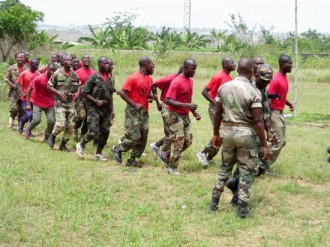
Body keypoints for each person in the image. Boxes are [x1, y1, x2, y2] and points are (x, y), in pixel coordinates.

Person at [208, 58, 269, 218]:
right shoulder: (253, 91)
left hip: (227, 132)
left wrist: (216, 133)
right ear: (251, 72)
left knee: (224, 168)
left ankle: (214, 203)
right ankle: (242, 208)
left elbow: (218, 113)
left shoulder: (224, 87)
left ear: (237, 70)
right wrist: (264, 144)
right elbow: (257, 121)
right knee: (246, 171)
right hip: (245, 134)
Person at [225, 64, 274, 205]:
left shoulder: (263, 90)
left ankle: (235, 182)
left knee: (262, 165)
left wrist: (268, 131)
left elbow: (265, 113)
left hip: (258, 133)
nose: (266, 83)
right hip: (247, 133)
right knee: (249, 166)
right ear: (256, 76)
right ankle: (238, 195)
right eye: (263, 80)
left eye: (268, 80)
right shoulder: (249, 89)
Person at [158, 58, 201, 175]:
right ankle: (172, 168)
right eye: (192, 69)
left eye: (195, 69)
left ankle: (165, 154)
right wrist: (187, 105)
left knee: (188, 141)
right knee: (179, 142)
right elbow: (168, 100)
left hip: (184, 114)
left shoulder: (190, 81)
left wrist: (193, 112)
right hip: (173, 114)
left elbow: (187, 99)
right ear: (185, 68)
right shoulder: (176, 82)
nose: (194, 71)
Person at [111, 57, 154, 168]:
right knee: (134, 137)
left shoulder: (149, 79)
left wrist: (150, 97)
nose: (153, 68)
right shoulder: (133, 78)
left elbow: (144, 92)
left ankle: (132, 159)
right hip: (132, 111)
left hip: (144, 111)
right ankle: (117, 149)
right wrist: (134, 104)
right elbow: (122, 93)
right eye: (151, 65)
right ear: (145, 65)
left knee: (143, 137)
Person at [197, 57, 236, 166]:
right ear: (225, 65)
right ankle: (203, 153)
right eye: (232, 62)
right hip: (215, 109)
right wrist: (215, 103)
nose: (234, 63)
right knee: (222, 133)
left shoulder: (230, 77)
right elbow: (204, 92)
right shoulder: (218, 76)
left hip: (225, 109)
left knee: (225, 134)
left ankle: (209, 157)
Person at [76, 57, 116, 161]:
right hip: (93, 107)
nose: (107, 65)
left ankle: (98, 153)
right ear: (99, 65)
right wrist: (96, 101)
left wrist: (112, 109)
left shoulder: (109, 78)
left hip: (106, 108)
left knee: (105, 131)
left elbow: (110, 94)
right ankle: (81, 144)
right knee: (93, 130)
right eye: (104, 63)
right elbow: (84, 92)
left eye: (108, 63)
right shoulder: (93, 77)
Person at [47, 54, 80, 151]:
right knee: (61, 124)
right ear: (62, 62)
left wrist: (77, 94)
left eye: (70, 60)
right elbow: (49, 86)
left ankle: (63, 144)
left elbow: (78, 86)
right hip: (59, 103)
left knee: (71, 126)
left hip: (71, 103)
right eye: (67, 60)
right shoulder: (57, 73)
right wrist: (58, 92)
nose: (69, 62)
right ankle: (53, 135)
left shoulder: (75, 74)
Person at [149, 66, 183, 156]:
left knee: (174, 131)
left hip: (176, 107)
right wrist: (157, 100)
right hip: (167, 107)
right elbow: (154, 84)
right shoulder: (171, 78)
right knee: (170, 132)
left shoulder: (183, 80)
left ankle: (157, 146)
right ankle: (163, 153)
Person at [267, 55, 294, 166]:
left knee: (281, 142)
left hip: (280, 113)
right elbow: (269, 96)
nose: (291, 65)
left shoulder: (284, 77)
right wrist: (268, 118)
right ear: (282, 65)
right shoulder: (276, 79)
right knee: (279, 142)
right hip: (273, 113)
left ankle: (262, 160)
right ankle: (263, 165)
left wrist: (288, 103)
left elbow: (279, 95)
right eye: (289, 63)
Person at [24, 63, 57, 140]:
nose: (52, 72)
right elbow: (29, 89)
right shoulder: (39, 78)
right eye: (50, 70)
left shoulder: (56, 79)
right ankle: (28, 129)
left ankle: (47, 136)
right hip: (38, 102)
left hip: (49, 103)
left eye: (54, 71)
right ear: (47, 69)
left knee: (52, 121)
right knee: (36, 120)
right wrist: (28, 103)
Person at [74, 54, 96, 141]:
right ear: (81, 61)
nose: (87, 59)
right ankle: (75, 127)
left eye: (88, 58)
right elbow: (74, 86)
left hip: (90, 98)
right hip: (80, 97)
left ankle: (83, 134)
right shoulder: (77, 72)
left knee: (88, 118)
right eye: (84, 58)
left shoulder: (94, 73)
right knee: (81, 116)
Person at [16, 58, 41, 133]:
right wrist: (21, 93)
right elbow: (18, 84)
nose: (38, 66)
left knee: (34, 117)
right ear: (31, 64)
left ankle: (28, 130)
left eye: (38, 64)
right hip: (25, 98)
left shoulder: (38, 74)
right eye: (36, 64)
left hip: (35, 98)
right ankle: (21, 124)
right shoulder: (24, 73)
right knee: (28, 114)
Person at [5, 52, 27, 128]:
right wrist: (13, 86)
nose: (20, 58)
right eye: (18, 57)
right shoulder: (11, 68)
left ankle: (20, 124)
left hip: (23, 92)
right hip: (13, 92)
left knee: (21, 109)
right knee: (14, 108)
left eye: (21, 57)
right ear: (16, 58)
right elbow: (6, 79)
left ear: (24, 58)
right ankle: (12, 118)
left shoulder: (27, 68)